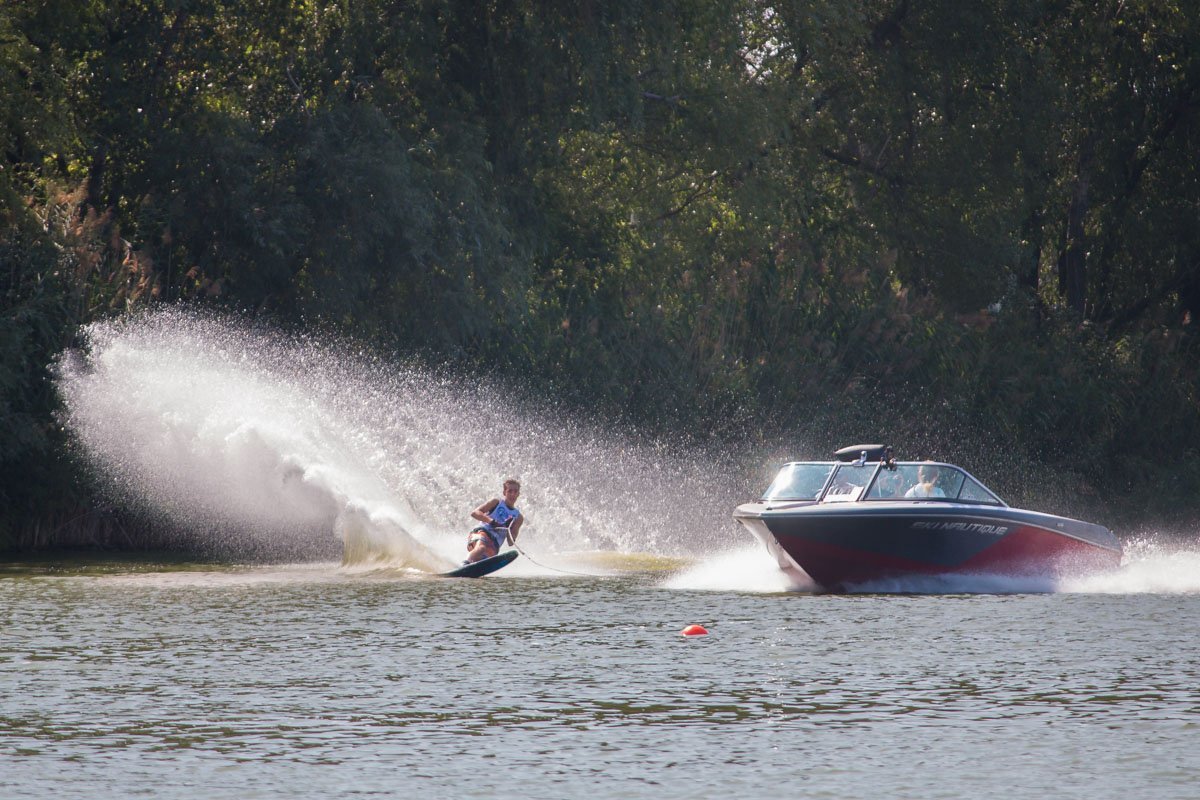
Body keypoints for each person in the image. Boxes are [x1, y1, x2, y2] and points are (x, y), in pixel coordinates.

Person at [465, 478, 523, 564]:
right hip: (481, 532)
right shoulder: (496, 502)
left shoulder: (518, 517)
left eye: (515, 491)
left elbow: (510, 542)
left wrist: (509, 528)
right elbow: (475, 513)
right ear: (504, 492)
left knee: (482, 558)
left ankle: (470, 567)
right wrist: (491, 521)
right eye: (509, 491)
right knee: (481, 548)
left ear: (518, 494)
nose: (512, 494)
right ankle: (465, 564)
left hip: (494, 544)